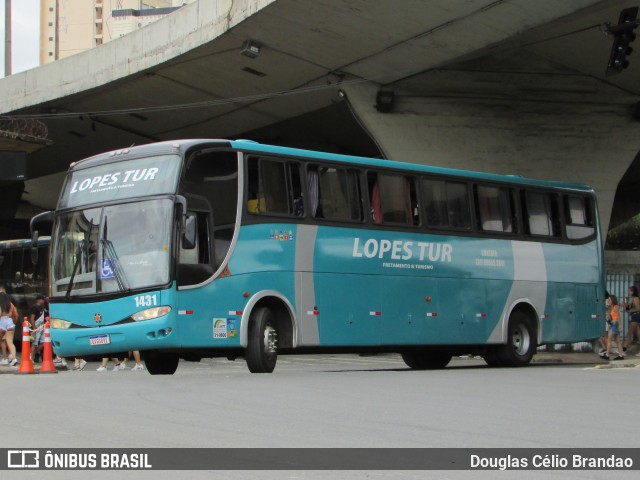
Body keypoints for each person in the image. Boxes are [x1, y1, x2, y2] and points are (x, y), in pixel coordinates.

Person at [602, 294, 624, 361]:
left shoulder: (616, 306)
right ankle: (621, 355)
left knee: (609, 339)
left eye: (609, 300)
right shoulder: (611, 307)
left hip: (615, 324)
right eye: (608, 299)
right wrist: (608, 308)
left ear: (613, 300)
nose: (608, 301)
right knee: (617, 341)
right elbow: (610, 317)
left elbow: (619, 317)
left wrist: (620, 326)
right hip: (613, 324)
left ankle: (607, 355)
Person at [0, 292, 18, 366]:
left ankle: (4, 359)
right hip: (10, 322)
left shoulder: (0, 304)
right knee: (10, 342)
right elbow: (16, 314)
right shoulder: (11, 304)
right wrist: (14, 322)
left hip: (2, 322)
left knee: (1, 340)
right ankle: (14, 358)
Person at [622, 285, 640, 354]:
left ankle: (623, 350)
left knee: (629, 334)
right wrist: (625, 303)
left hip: (636, 316)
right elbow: (627, 309)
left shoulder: (635, 298)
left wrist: (630, 310)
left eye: (629, 291)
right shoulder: (633, 299)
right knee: (638, 334)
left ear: (633, 291)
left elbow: (638, 309)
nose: (628, 292)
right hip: (634, 316)